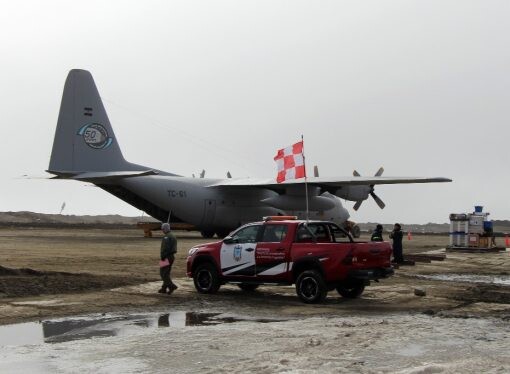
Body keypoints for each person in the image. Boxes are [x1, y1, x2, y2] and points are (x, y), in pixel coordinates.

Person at [159, 223, 178, 294]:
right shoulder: (172, 235)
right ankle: (164, 288)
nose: (162, 230)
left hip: (166, 257)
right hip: (171, 256)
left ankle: (171, 286)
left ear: (166, 228)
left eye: (163, 229)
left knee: (162, 273)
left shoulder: (166, 237)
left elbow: (165, 248)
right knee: (166, 273)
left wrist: (163, 257)